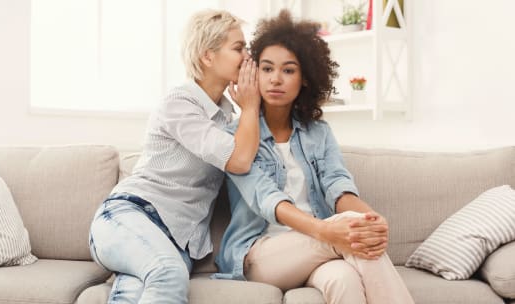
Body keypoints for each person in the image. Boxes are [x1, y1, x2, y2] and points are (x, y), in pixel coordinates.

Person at [215, 10, 414, 304]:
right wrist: (329, 230)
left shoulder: (317, 133)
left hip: (318, 245)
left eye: (289, 70)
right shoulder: (237, 135)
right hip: (260, 252)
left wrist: (372, 219)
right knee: (353, 235)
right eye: (267, 69)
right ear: (254, 73)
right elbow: (267, 199)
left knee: (343, 279)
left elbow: (338, 187)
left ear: (305, 78)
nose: (276, 80)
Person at [89, 9, 260, 304]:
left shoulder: (228, 117)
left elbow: (248, 158)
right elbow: (240, 160)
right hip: (129, 217)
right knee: (168, 273)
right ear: (208, 56)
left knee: (133, 293)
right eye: (238, 48)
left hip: (173, 242)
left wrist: (248, 109)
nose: (248, 57)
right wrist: (252, 106)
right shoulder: (180, 102)